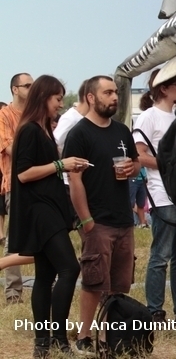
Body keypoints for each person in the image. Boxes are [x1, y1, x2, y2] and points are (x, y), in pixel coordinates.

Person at [7, 75, 87, 357]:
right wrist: (59, 164)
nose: (59, 105)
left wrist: (65, 167)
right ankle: (58, 338)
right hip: (40, 211)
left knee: (46, 275)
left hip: (48, 207)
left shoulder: (43, 130)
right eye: (57, 99)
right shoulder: (29, 130)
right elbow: (24, 174)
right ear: (44, 98)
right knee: (70, 269)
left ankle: (44, 343)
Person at [63, 75, 140, 355]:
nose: (114, 97)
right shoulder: (80, 133)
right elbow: (75, 181)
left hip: (123, 219)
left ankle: (109, 335)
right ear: (92, 98)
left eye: (116, 93)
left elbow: (135, 161)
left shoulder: (122, 131)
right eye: (108, 93)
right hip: (98, 220)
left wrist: (134, 168)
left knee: (120, 285)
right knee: (94, 282)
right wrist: (86, 221)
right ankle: (84, 336)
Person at [133, 70, 176, 324]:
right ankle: (154, 309)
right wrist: (170, 165)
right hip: (161, 194)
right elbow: (139, 155)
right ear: (163, 89)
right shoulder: (148, 117)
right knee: (161, 255)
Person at [0, 72, 34, 304]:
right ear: (15, 89)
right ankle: (13, 293)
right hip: (15, 184)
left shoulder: (34, 114)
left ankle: (46, 284)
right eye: (27, 85)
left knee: (42, 237)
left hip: (38, 183)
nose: (32, 88)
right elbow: (10, 149)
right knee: (14, 239)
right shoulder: (4, 115)